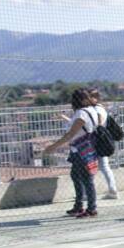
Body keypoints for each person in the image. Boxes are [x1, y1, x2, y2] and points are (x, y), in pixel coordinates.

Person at [42, 88, 100, 218]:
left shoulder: (81, 113)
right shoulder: (91, 110)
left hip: (81, 151)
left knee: (86, 179)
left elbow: (71, 134)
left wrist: (53, 147)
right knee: (76, 176)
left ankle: (91, 209)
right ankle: (79, 206)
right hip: (84, 149)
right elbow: (80, 128)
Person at [88, 89, 119, 200]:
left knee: (90, 166)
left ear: (94, 98)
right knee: (104, 167)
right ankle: (112, 189)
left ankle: (88, 193)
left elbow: (98, 124)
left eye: (89, 97)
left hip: (96, 140)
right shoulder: (102, 109)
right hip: (102, 140)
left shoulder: (96, 110)